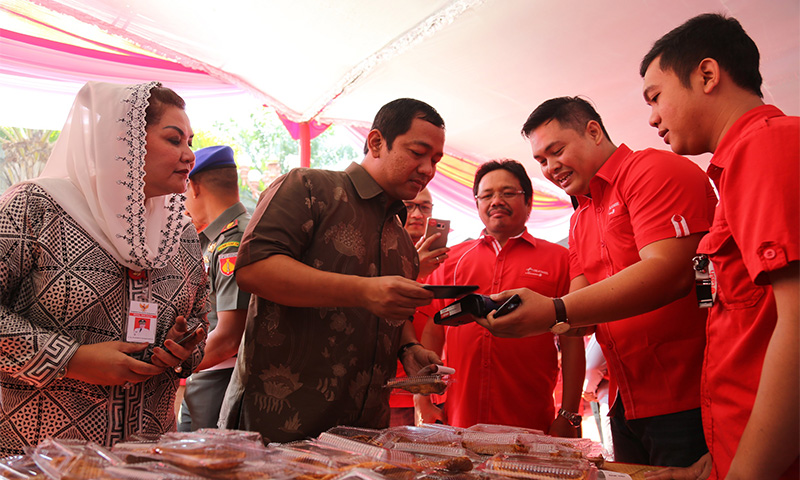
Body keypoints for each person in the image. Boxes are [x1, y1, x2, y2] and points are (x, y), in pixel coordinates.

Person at [478, 97, 716, 466]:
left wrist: (555, 310)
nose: (550, 167)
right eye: (541, 160)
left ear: (593, 131)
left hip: (692, 394)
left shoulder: (652, 170)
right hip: (624, 400)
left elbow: (672, 273)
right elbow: (580, 310)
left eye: (556, 151)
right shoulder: (580, 217)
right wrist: (519, 315)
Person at [219, 98, 446, 443]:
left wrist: (409, 350)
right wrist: (363, 291)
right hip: (278, 427)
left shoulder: (402, 241)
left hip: (365, 435)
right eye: (418, 152)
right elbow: (255, 268)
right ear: (376, 142)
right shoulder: (309, 188)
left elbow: (394, 316)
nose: (428, 169)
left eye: (435, 160)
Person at [0, 81, 208, 455]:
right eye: (174, 140)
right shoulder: (38, 208)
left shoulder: (182, 232)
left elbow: (198, 321)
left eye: (190, 142)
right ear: (123, 141)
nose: (189, 155)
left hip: (147, 454)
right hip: (42, 457)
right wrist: (71, 359)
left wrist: (183, 349)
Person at [639, 13, 798, 480]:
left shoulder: (765, 146)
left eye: (656, 96)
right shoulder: (741, 165)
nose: (651, 117)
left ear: (706, 75)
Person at [416, 159, 584, 437]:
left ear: (529, 203)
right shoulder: (450, 261)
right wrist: (422, 399)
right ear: (477, 203)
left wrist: (568, 413)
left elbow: (572, 340)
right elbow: (433, 332)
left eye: (508, 193)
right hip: (459, 419)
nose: (496, 201)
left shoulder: (560, 260)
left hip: (531, 418)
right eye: (487, 195)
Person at [178, 145, 250, 431]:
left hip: (222, 376)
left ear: (193, 187)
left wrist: (172, 367)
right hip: (205, 370)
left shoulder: (236, 240)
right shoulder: (216, 237)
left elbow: (230, 336)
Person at [390, 187, 449, 426]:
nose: (416, 214)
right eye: (408, 205)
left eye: (424, 207)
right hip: (388, 390)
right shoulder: (382, 257)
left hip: (432, 391)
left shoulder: (448, 264)